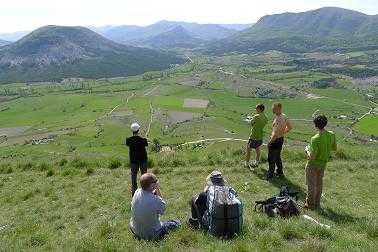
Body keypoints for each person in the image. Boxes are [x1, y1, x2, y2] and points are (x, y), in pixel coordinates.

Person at [130, 173, 180, 240]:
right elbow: (163, 209)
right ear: (152, 185)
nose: (157, 182)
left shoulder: (137, 192)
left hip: (135, 230)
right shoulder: (155, 200)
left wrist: (154, 190)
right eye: (155, 181)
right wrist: (157, 189)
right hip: (151, 234)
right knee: (176, 223)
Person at [304, 115, 337, 210]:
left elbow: (312, 157)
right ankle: (317, 203)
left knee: (311, 185)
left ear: (315, 125)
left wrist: (306, 150)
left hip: (313, 165)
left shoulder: (315, 138)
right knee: (319, 184)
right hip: (323, 164)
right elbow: (334, 148)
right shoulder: (331, 134)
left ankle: (310, 204)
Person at [266, 103, 292, 180]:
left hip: (275, 140)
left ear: (279, 109)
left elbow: (275, 134)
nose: (272, 109)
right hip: (280, 139)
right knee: (277, 156)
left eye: (274, 108)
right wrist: (283, 132)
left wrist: (270, 142)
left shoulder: (278, 119)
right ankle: (280, 172)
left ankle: (270, 175)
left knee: (271, 158)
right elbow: (290, 127)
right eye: (272, 108)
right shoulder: (284, 116)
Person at [126, 122, 148, 196]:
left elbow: (128, 144)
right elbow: (146, 144)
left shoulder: (128, 140)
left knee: (133, 177)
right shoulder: (143, 139)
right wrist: (143, 137)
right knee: (144, 176)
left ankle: (134, 194)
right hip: (143, 160)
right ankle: (145, 192)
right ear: (138, 130)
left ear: (132, 130)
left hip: (133, 161)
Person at [245, 103, 268, 168]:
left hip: (253, 136)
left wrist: (249, 120)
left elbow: (251, 123)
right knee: (258, 149)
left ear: (259, 109)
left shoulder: (256, 116)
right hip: (260, 136)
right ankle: (257, 162)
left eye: (256, 108)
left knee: (248, 150)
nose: (255, 109)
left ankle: (247, 163)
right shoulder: (265, 117)